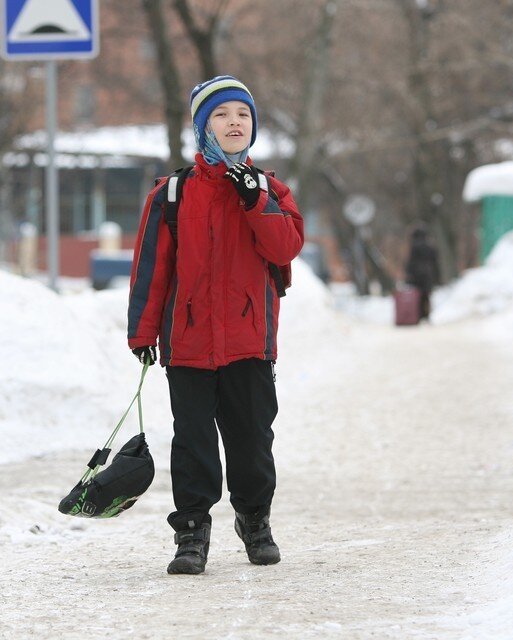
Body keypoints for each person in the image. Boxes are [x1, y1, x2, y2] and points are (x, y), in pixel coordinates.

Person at [127, 75, 304, 575]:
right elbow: (150, 270)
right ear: (204, 127)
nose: (234, 123)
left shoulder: (271, 189)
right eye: (222, 115)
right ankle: (191, 532)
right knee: (193, 442)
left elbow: (285, 249)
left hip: (249, 340)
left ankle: (254, 519)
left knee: (252, 439)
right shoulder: (174, 194)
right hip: (188, 340)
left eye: (243, 115)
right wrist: (142, 333)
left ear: (254, 126)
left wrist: (256, 201)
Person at [404, 225, 440, 321]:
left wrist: (408, 275)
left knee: (417, 296)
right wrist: (437, 277)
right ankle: (426, 315)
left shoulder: (414, 247)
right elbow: (435, 262)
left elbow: (411, 262)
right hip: (428, 275)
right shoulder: (430, 247)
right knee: (426, 296)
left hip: (416, 276)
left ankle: (418, 315)